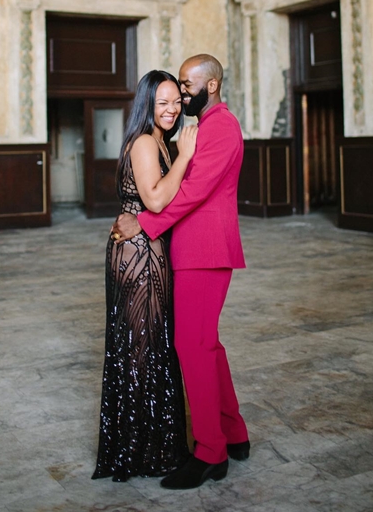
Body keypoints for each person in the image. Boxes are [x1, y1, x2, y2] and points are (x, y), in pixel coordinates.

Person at [112, 54, 250, 490]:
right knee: (207, 345)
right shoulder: (203, 127)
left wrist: (144, 222)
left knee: (193, 347)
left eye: (187, 86)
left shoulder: (220, 127)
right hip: (194, 250)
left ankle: (210, 452)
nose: (183, 95)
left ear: (211, 85)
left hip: (203, 251)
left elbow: (193, 191)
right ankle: (234, 433)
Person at [91, 70, 198, 483]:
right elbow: (154, 199)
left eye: (176, 102)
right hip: (137, 256)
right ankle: (140, 453)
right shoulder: (144, 143)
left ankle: (151, 447)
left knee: (153, 347)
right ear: (147, 105)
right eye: (162, 103)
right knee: (141, 350)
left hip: (148, 248)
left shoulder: (159, 141)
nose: (172, 110)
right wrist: (185, 156)